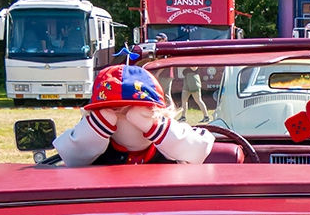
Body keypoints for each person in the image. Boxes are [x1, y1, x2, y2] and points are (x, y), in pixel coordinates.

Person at [53, 61, 212, 166]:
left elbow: (199, 148)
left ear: (159, 114)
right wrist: (97, 127)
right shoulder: (97, 153)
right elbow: (70, 155)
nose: (129, 125)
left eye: (144, 112)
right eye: (117, 114)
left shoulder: (168, 149)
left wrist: (156, 127)